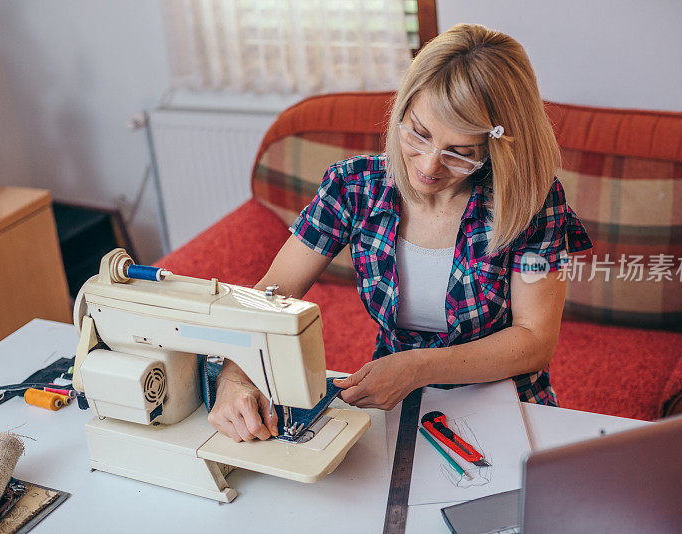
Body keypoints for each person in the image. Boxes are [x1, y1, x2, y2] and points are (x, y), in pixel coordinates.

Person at [207, 23, 593, 442]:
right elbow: (272, 294)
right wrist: (233, 375)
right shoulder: (355, 186)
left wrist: (417, 367)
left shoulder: (532, 203)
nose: (427, 167)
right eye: (419, 134)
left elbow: (535, 340)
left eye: (460, 153)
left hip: (507, 401)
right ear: (402, 110)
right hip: (396, 402)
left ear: (494, 149)